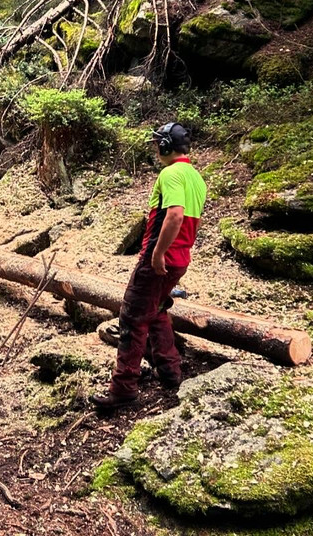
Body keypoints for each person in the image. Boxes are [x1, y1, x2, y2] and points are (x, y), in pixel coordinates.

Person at [91, 122, 207, 410]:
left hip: (160, 260)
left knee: (131, 316)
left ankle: (123, 388)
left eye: (158, 143)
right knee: (154, 311)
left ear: (167, 145)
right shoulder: (196, 177)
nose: (155, 148)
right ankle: (170, 370)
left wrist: (157, 254)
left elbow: (175, 216)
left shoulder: (171, 174)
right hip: (180, 259)